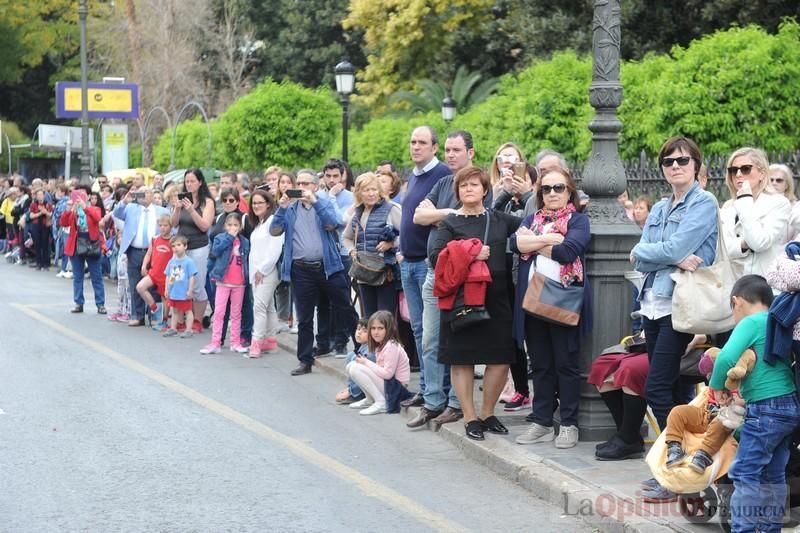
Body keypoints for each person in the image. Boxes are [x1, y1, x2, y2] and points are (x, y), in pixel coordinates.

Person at [627, 136, 719, 502]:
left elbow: (673, 249)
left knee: (657, 388)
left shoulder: (704, 202)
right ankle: (682, 470)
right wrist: (667, 255)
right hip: (651, 302)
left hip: (679, 306)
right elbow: (641, 256)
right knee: (674, 387)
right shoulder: (663, 208)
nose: (675, 166)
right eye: (668, 161)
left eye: (683, 160)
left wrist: (658, 252)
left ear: (696, 165)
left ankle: (678, 471)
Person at [429, 165, 522, 441]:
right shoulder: (449, 222)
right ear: (457, 191)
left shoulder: (499, 219)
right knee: (462, 359)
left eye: (474, 184)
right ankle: (469, 416)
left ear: (485, 189)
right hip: (461, 300)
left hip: (498, 298)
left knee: (501, 358)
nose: (468, 189)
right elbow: (435, 257)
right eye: (463, 185)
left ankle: (487, 413)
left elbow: (533, 223)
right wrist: (470, 252)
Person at [408, 130, 484, 428]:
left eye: (456, 150)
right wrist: (451, 211)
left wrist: (440, 215)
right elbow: (417, 216)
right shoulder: (441, 183)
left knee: (457, 340)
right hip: (433, 273)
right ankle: (433, 401)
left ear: (470, 152)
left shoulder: (476, 182)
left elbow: (474, 217)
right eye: (449, 150)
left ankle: (455, 403)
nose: (451, 155)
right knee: (429, 339)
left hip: (463, 278)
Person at [712, 275, 798, 532]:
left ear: (736, 302)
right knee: (774, 474)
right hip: (790, 406)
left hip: (766, 409)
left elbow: (726, 357)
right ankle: (771, 529)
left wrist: (716, 386)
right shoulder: (777, 319)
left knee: (745, 474)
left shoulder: (750, 322)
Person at [512, 168, 591, 449]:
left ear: (569, 191)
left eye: (558, 188)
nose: (553, 193)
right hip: (532, 300)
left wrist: (531, 243)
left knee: (565, 365)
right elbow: (513, 243)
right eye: (546, 189)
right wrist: (549, 239)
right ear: (540, 194)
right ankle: (542, 421)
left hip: (562, 300)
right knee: (541, 365)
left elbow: (568, 251)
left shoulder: (579, 221)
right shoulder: (532, 218)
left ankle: (568, 424)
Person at [270, 169, 353, 376]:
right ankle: (305, 360)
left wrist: (315, 201)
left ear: (316, 186)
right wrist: (281, 208)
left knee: (345, 307)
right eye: (299, 183)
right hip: (301, 269)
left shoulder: (323, 202)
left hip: (328, 267)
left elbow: (334, 223)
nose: (302, 187)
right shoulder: (290, 208)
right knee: (304, 318)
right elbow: (274, 230)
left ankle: (362, 350)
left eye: (306, 183)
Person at [398, 125, 452, 405]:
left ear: (434, 147)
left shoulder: (442, 174)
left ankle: (437, 391)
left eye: (422, 142)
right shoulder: (415, 175)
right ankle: (427, 388)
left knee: (432, 334)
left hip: (426, 264)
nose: (415, 146)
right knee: (419, 330)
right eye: (412, 141)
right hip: (407, 261)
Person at [720, 147, 790, 278]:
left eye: (745, 169)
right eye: (733, 170)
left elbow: (759, 243)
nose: (738, 174)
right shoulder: (728, 206)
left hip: (763, 284)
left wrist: (745, 200)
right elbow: (722, 248)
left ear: (762, 174)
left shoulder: (779, 203)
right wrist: (745, 243)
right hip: (731, 282)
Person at [342, 172, 401, 317]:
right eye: (366, 190)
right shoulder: (358, 212)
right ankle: (372, 341)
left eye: (374, 189)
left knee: (384, 318)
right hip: (364, 273)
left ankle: (387, 341)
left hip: (386, 273)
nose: (371, 193)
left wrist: (391, 244)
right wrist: (352, 251)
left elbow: (407, 236)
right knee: (368, 318)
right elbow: (346, 237)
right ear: (359, 193)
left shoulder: (391, 209)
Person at [316, 159, 358, 357]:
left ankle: (341, 341)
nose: (332, 180)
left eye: (336, 176)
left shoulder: (351, 197)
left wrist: (331, 201)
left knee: (342, 301)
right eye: (328, 176)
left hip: (342, 254)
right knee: (323, 302)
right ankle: (324, 341)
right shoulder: (318, 196)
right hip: (322, 254)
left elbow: (337, 221)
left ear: (343, 176)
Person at [115, 186, 170, 326]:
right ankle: (137, 315)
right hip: (134, 250)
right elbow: (117, 213)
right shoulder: (131, 207)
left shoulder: (162, 211)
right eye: (141, 192)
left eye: (146, 192)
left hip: (155, 251)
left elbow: (171, 227)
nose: (143, 195)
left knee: (155, 284)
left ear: (152, 195)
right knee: (134, 283)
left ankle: (155, 316)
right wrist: (125, 201)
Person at [171, 168, 215, 333]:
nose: (189, 184)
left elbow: (205, 226)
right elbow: (173, 224)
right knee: (180, 282)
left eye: (192, 181)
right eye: (187, 181)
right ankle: (181, 320)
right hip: (181, 249)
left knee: (197, 284)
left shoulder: (207, 202)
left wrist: (191, 210)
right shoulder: (182, 199)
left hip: (198, 247)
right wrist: (177, 208)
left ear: (200, 182)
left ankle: (197, 319)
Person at [201, 213, 251, 354]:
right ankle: (215, 342)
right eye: (229, 225)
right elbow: (215, 252)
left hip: (239, 283)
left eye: (235, 225)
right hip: (223, 281)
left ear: (240, 227)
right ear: (224, 226)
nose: (232, 228)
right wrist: (229, 238)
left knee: (236, 314)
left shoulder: (245, 242)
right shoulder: (220, 238)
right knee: (219, 312)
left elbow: (247, 260)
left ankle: (235, 342)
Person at [346, 311, 411, 416]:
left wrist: (366, 362)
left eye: (380, 328)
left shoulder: (391, 346)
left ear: (389, 329)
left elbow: (387, 374)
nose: (376, 332)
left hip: (397, 389)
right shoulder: (380, 345)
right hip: (389, 384)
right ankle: (370, 399)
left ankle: (381, 402)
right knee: (351, 365)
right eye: (373, 328)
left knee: (355, 368)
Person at [247, 189, 284, 358]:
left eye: (260, 202)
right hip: (256, 272)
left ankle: (256, 342)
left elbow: (274, 250)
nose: (256, 206)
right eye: (254, 203)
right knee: (268, 307)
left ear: (268, 204)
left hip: (267, 272)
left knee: (259, 307)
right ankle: (270, 340)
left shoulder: (273, 222)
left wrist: (263, 270)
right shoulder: (260, 224)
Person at [60, 187, 106, 314]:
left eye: (83, 196)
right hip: (76, 244)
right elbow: (63, 223)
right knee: (78, 276)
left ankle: (100, 304)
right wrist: (68, 210)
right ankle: (78, 303)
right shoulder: (74, 211)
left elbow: (97, 218)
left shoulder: (94, 208)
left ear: (88, 197)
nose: (80, 198)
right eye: (77, 196)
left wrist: (85, 207)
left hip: (91, 243)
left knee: (96, 276)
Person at [135, 214, 174, 328]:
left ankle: (164, 320)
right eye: (160, 225)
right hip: (153, 272)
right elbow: (148, 254)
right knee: (140, 287)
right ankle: (154, 308)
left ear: (171, 226)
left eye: (165, 225)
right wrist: (144, 265)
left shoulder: (173, 240)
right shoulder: (155, 239)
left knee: (165, 298)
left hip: (166, 275)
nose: (162, 228)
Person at [162, 234, 197, 338]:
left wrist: (190, 290)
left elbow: (192, 277)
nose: (175, 248)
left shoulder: (189, 262)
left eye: (178, 245)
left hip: (184, 291)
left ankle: (189, 329)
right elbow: (168, 276)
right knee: (175, 310)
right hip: (174, 291)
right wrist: (166, 289)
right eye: (173, 246)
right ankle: (173, 328)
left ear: (185, 246)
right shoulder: (172, 262)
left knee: (187, 310)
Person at [335, 318, 376, 404]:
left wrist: (352, 391)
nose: (359, 332)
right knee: (351, 358)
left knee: (351, 358)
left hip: (371, 387)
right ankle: (353, 390)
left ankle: (356, 394)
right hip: (364, 385)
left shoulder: (370, 351)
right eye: (358, 329)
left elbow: (365, 375)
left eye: (365, 331)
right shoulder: (364, 346)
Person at [770, 163, 800, 240]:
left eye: (779, 180)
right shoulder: (757, 203)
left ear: (787, 185)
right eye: (771, 180)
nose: (774, 183)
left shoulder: (796, 207)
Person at [107, 232, 130, 322]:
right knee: (120, 293)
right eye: (119, 237)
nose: (120, 239)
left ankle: (129, 312)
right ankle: (119, 311)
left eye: (122, 237)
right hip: (121, 277)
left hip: (127, 276)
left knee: (128, 294)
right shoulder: (119, 251)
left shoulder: (128, 252)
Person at [28, 189, 53, 270]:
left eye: (41, 195)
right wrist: (40, 213)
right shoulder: (33, 204)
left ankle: (46, 264)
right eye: (38, 195)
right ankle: (39, 263)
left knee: (45, 245)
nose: (40, 196)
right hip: (36, 226)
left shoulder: (48, 204)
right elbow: (31, 216)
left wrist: (45, 212)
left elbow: (51, 215)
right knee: (37, 245)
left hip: (45, 226)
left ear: (44, 195)